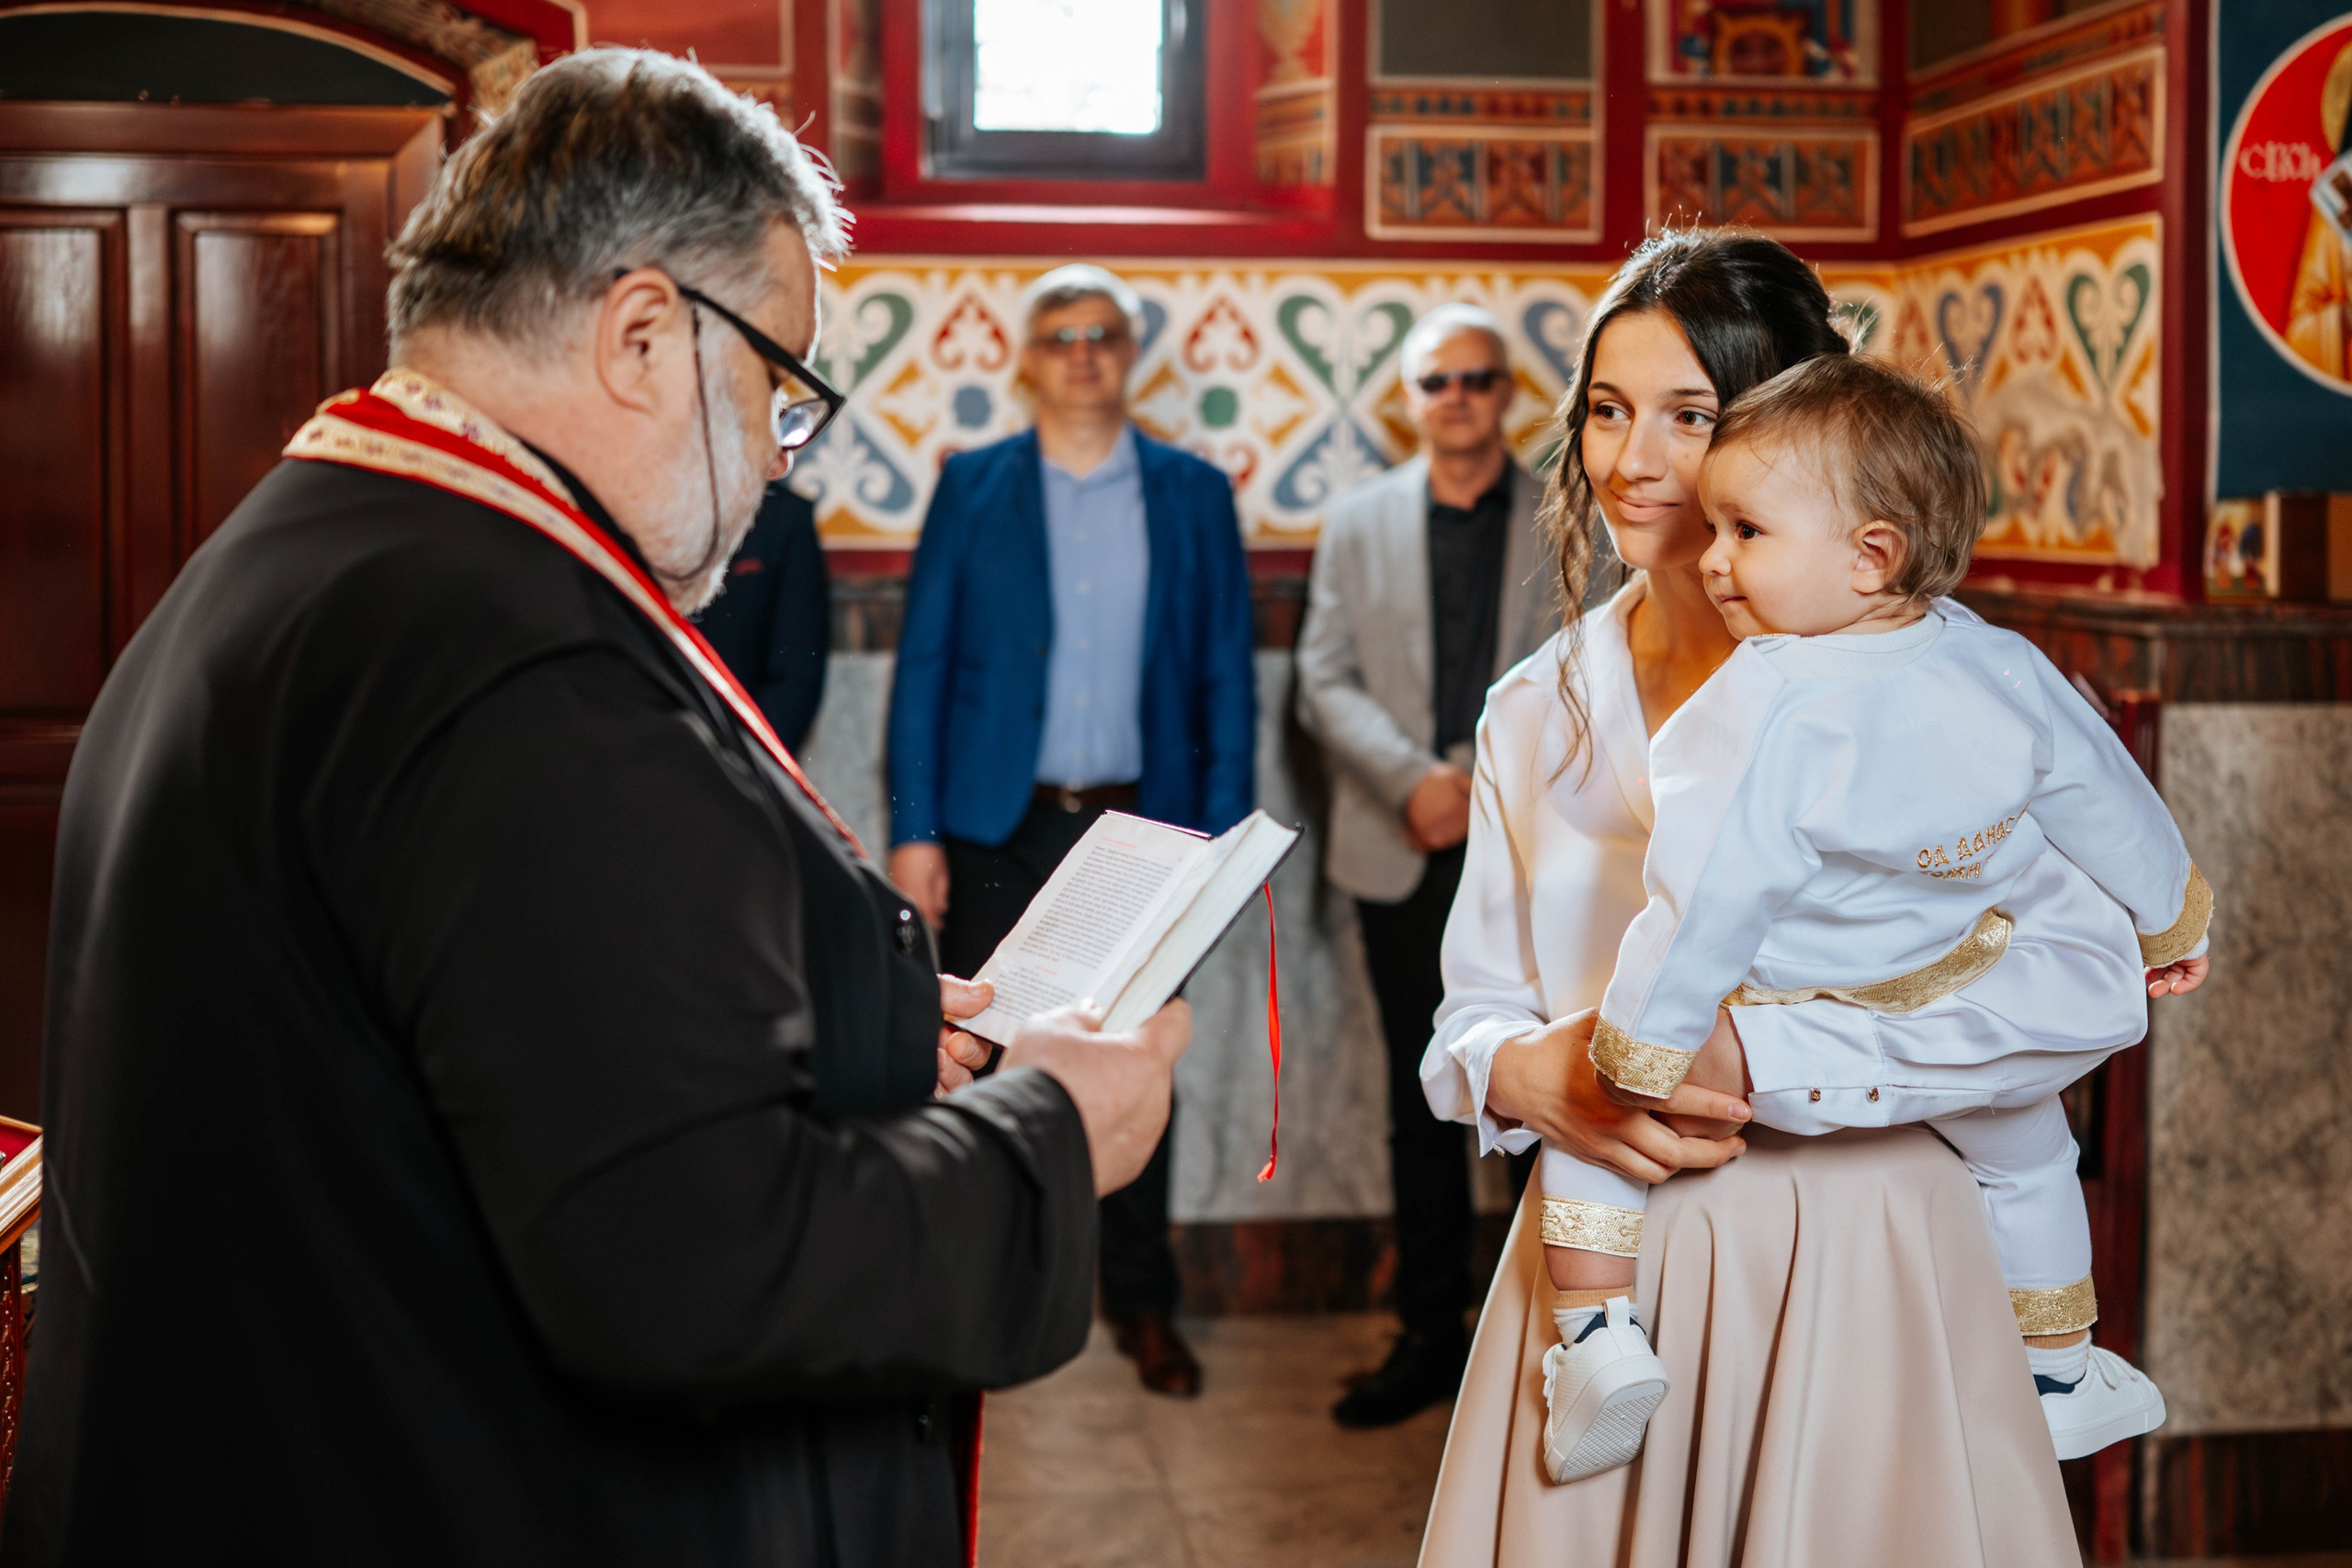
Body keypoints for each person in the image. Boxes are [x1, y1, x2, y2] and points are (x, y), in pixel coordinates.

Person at [6, 52, 1191, 1566]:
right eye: (780, 385)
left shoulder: (329, 547)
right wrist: (1053, 1131)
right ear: (643, 333)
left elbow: (509, 1051)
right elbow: (698, 1263)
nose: (775, 450)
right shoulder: (512, 651)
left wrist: (875, 1024)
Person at [1417, 231, 2100, 1565]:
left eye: (1692, 417)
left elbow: (2080, 975)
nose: (1633, 461)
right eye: (1607, 412)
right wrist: (1522, 1074)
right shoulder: (1534, 714)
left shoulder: (1954, 693)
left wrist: (1769, 1055)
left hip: (1881, 1264)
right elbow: (1470, 1015)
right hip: (1609, 1280)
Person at [1536, 352, 2198, 1484]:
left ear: (1870, 553)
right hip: (1968, 983)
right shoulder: (1996, 661)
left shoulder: (1762, 705)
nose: (1713, 560)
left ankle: (1596, 1340)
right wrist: (2166, 920)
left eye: (1745, 532)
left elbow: (1706, 898)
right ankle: (2061, 1367)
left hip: (1786, 1015)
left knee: (1592, 1122)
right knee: (2033, 1154)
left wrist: (1644, 1043)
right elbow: (2106, 792)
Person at [886, 263, 1256, 1398]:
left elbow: (1224, 682)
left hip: (1142, 838)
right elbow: (927, 664)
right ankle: (984, 1293)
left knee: (1135, 1064)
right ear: (1028, 358)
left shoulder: (1192, 492)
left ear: (1127, 353)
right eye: (1060, 334)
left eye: (1102, 332)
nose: (1082, 350)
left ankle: (1143, 1304)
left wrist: (1221, 858)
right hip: (996, 825)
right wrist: (915, 830)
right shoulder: (973, 486)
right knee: (979, 1062)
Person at [1294, 303, 1556, 1427]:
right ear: (1408, 398)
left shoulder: (1564, 520)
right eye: (1436, 381)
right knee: (1425, 1096)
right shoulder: (1356, 521)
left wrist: (1482, 788)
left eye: (1478, 379)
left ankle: (1544, 1338)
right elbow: (1321, 675)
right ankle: (1428, 1337)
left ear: (1509, 395)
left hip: (1533, 850)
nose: (1457, 398)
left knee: (1539, 1097)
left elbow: (1589, 669)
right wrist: (1414, 782)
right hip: (1399, 841)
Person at [694, 479, 831, 752]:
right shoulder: (635, 510)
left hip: (743, 755)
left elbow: (795, 673)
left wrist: (748, 762)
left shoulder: (783, 516)